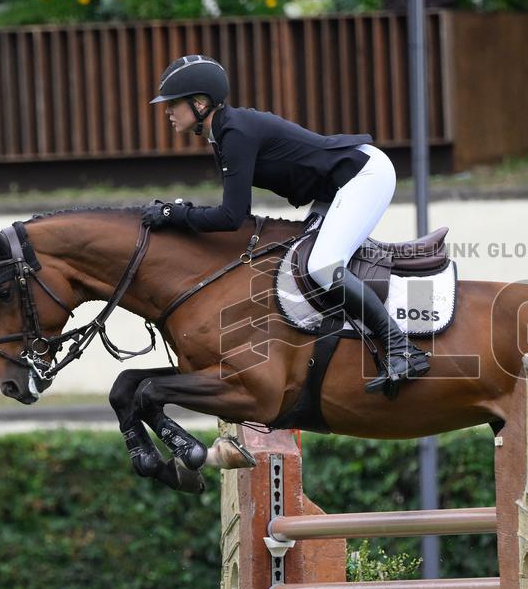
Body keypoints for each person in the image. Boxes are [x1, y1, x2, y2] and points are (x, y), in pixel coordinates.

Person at [143, 54, 430, 395]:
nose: (167, 111)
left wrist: (171, 215)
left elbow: (231, 217)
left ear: (201, 103)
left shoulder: (234, 134)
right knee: (298, 261)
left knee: (323, 266)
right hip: (336, 187)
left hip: (364, 176)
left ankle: (402, 348)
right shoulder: (223, 134)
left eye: (173, 104)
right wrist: (177, 215)